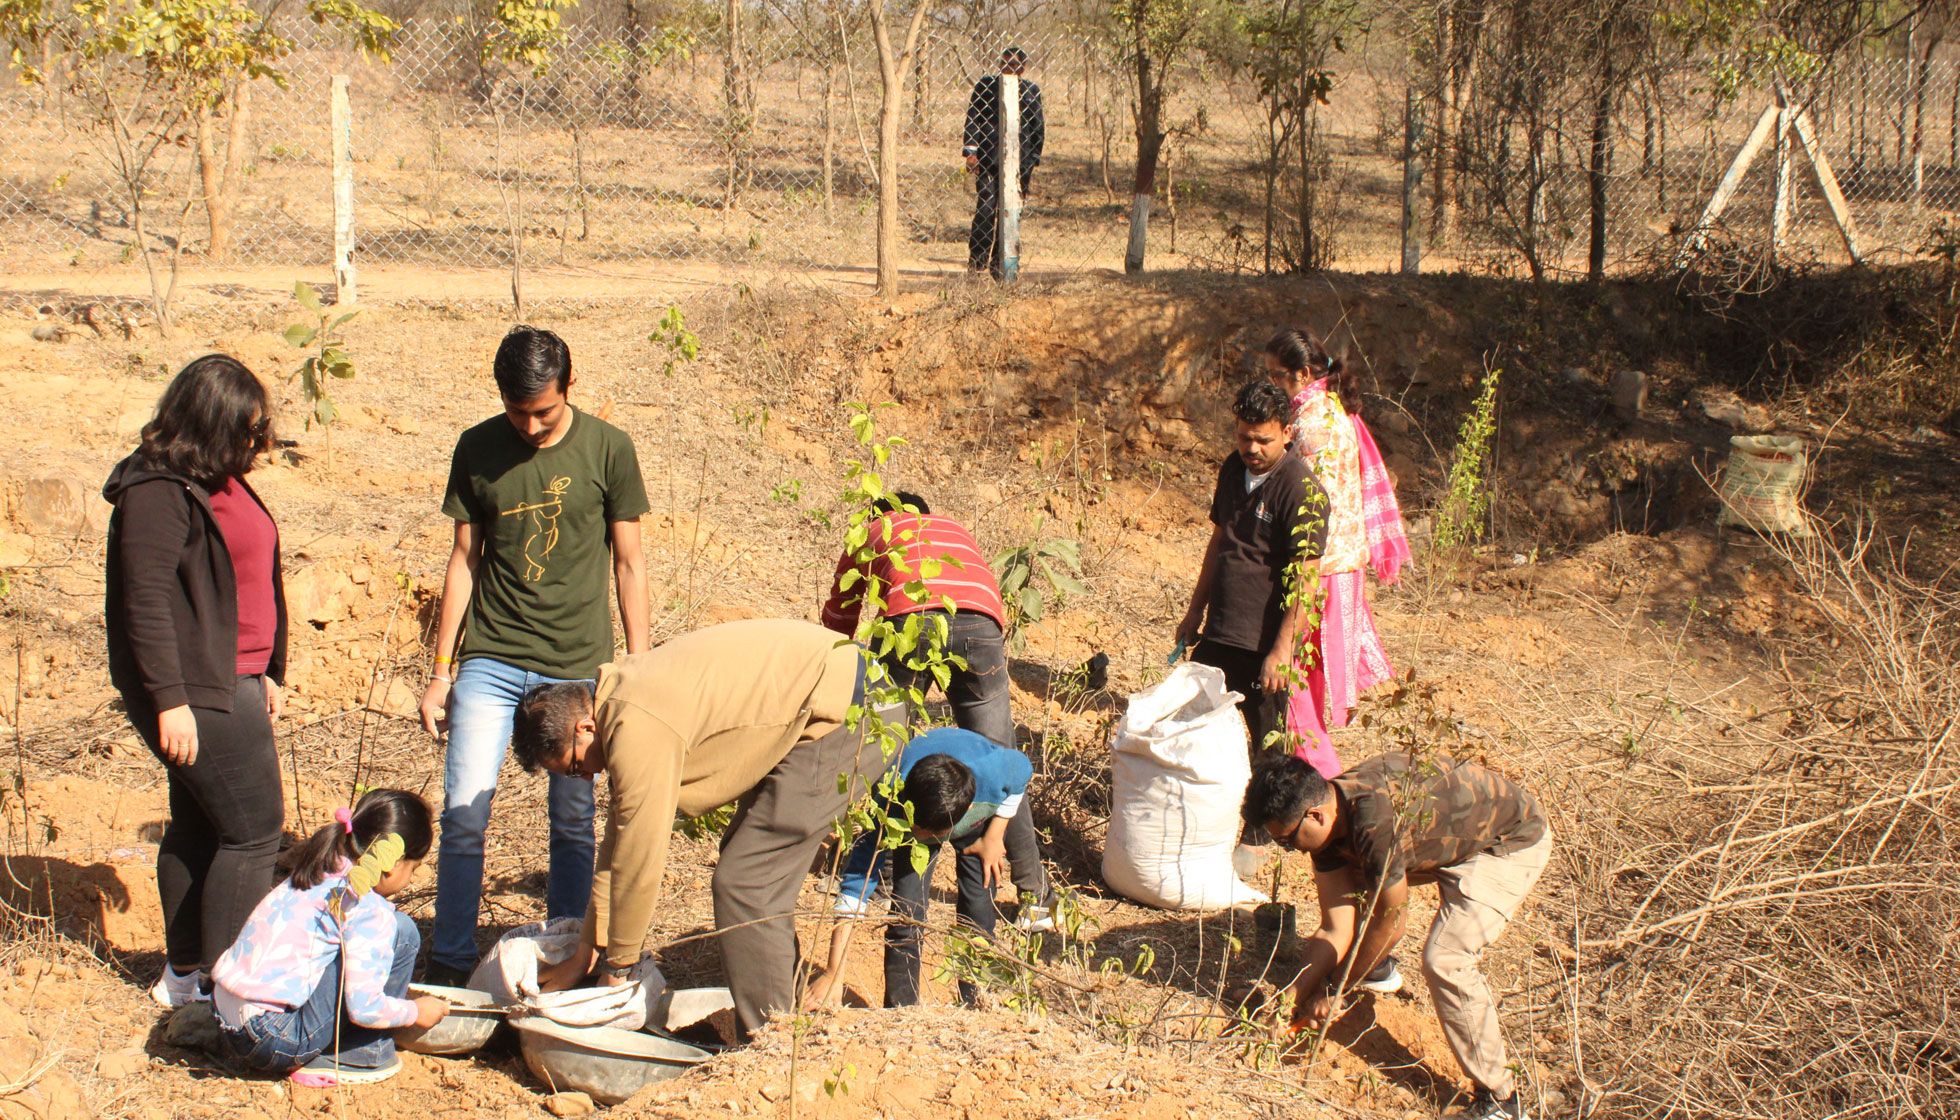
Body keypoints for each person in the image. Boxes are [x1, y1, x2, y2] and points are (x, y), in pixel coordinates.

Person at [508, 619, 879, 1042]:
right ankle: (786, 1022)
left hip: (855, 706)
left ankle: (773, 1044)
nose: (582, 777)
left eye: (575, 766)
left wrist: (618, 969)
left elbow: (639, 858)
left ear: (585, 728)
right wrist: (587, 950)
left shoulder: (636, 725)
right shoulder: (622, 700)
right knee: (750, 867)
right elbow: (617, 846)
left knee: (747, 882)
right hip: (836, 691)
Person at [417, 326, 651, 986]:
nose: (529, 425)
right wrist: (441, 673)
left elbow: (630, 565)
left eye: (543, 412)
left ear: (568, 389)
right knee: (465, 813)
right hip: (492, 656)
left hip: (577, 661)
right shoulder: (477, 447)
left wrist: (640, 666)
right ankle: (453, 962)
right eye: (517, 412)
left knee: (574, 822)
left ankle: (565, 957)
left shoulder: (609, 449)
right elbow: (464, 560)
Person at [103, 354, 288, 1010]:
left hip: (232, 676)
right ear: (210, 424)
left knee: (200, 824)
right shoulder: (156, 487)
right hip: (197, 688)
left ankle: (185, 977)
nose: (256, 442)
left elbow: (246, 575)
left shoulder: (217, 478)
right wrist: (169, 700)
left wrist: (268, 667)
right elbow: (145, 601)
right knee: (255, 832)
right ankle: (235, 989)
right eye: (246, 429)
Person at [1243, 752, 1553, 1120]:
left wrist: (1336, 987)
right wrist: (1289, 999)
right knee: (1359, 883)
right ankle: (1376, 968)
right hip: (1441, 840)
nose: (1290, 851)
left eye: (1288, 841)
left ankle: (1500, 1099)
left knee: (1446, 960)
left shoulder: (1373, 821)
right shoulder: (1329, 816)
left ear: (1315, 815)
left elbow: (1391, 922)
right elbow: (1335, 927)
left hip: (1506, 841)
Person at [819, 490, 1051, 926]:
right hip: (981, 627)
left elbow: (839, 623)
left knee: (885, 750)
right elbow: (982, 589)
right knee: (1004, 758)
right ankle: (1036, 898)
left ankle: (877, 875)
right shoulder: (954, 529)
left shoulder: (871, 531)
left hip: (911, 621)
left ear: (878, 517)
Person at [211, 789, 447, 1087]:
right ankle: (363, 1052)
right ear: (392, 863)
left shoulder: (321, 866)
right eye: (414, 867)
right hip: (274, 1039)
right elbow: (365, 1007)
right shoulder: (366, 908)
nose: (411, 878)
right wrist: (415, 1012)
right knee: (403, 932)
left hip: (225, 1019)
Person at [808, 727, 1034, 1009]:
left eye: (932, 833)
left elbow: (1023, 770)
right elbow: (857, 883)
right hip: (919, 820)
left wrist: (994, 836)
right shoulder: (890, 801)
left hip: (975, 822)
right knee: (907, 912)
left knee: (978, 914)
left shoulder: (993, 771)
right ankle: (902, 1009)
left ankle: (979, 1004)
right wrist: (833, 972)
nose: (926, 836)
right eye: (921, 830)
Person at [1174, 378, 1329, 754]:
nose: (1252, 448)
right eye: (1245, 438)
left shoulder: (1301, 491)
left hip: (1264, 648)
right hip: (1219, 634)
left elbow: (1307, 581)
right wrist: (1195, 611)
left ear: (1287, 433)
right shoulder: (1232, 469)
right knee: (1189, 734)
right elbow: (1219, 542)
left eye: (1263, 440)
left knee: (1269, 753)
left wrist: (1282, 651)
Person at [1265, 329, 1398, 752]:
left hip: (1317, 569)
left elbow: (1306, 506)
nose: (1272, 386)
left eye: (1277, 377)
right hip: (1341, 565)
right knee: (1309, 684)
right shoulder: (1335, 409)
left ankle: (1316, 781)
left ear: (1303, 374)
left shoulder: (1312, 424)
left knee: (1295, 689)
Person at [962, 45, 1045, 278]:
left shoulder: (1030, 91)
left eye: (1014, 66)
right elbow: (973, 119)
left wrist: (1030, 164)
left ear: (1023, 68)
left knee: (1011, 212)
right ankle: (976, 263)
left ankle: (1002, 266)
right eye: (1004, 64)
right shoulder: (986, 87)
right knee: (986, 208)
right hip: (988, 160)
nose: (1008, 69)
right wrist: (971, 152)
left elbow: (1038, 129)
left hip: (1019, 164)